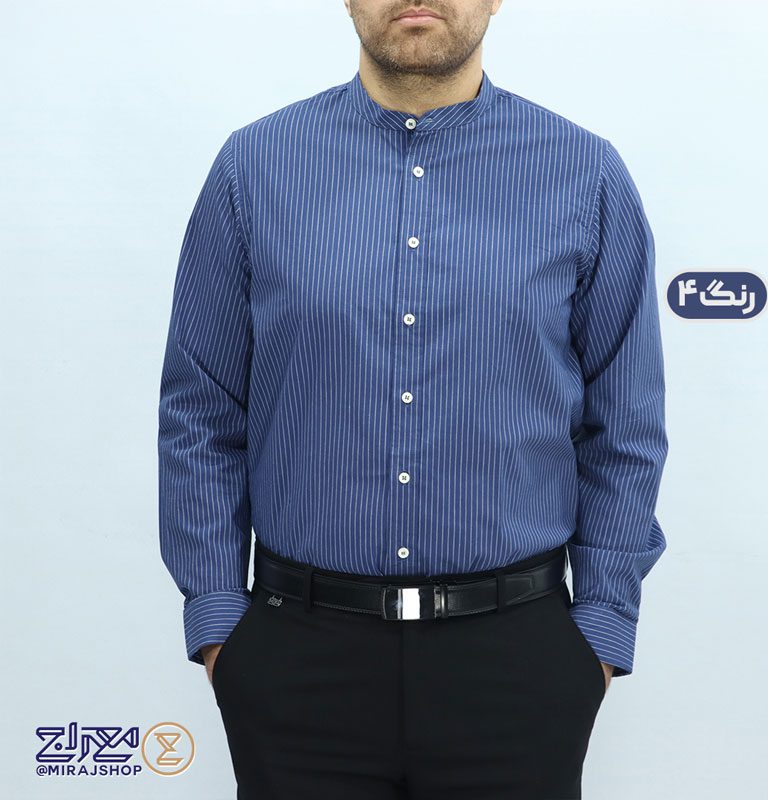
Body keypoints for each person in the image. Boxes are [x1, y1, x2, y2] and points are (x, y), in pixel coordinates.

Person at [157, 1, 669, 797]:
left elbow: (625, 426)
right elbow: (201, 411)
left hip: (518, 665)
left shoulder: (584, 173)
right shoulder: (253, 168)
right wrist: (222, 623)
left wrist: (598, 632)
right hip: (296, 661)